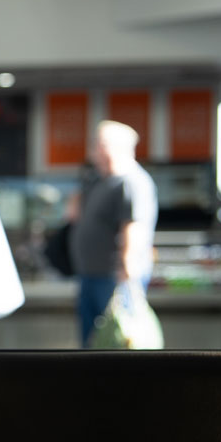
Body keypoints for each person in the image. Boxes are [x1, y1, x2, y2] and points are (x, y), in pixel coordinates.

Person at [68, 120, 157, 347]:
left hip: (114, 276)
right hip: (91, 273)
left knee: (118, 339)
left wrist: (127, 268)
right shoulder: (101, 181)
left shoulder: (132, 181)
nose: (93, 151)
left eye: (98, 145)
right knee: (94, 341)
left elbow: (132, 226)